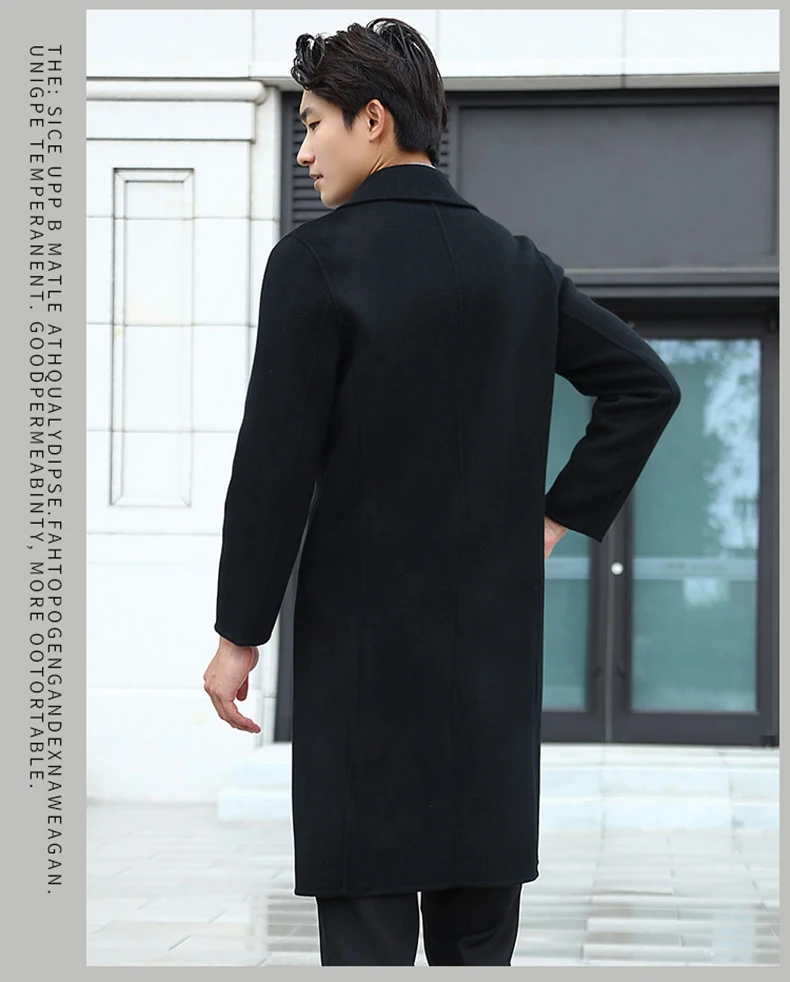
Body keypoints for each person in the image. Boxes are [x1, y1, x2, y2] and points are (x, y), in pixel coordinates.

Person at [202, 17, 682, 967]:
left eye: (313, 124)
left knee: (367, 946)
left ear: (373, 119)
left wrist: (237, 637)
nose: (303, 152)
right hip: (488, 689)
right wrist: (556, 515)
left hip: (363, 683)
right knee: (477, 949)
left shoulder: (314, 262)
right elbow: (646, 385)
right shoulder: (518, 267)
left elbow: (272, 467)